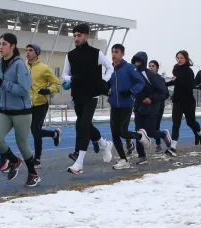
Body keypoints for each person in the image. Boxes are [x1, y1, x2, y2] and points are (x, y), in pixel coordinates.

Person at [0, 33, 40, 187]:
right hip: (4, 110)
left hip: (21, 111)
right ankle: (14, 161)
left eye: (4, 44)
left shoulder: (19, 65)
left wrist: (2, 83)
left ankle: (33, 174)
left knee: (22, 144)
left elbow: (24, 90)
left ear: (12, 46)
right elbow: (2, 83)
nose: (0, 47)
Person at [62, 23, 114, 175]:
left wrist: (104, 80)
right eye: (75, 36)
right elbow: (65, 74)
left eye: (79, 35)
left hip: (92, 95)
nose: (76, 38)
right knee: (86, 124)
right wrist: (71, 79)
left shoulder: (96, 53)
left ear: (86, 36)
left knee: (83, 125)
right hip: (77, 95)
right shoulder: (70, 55)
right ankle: (104, 144)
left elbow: (110, 67)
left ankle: (79, 162)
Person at [106, 44, 146, 169]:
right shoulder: (110, 69)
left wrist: (130, 91)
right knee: (114, 134)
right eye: (112, 52)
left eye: (116, 52)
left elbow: (141, 82)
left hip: (126, 104)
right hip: (114, 104)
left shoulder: (129, 67)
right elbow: (106, 84)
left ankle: (140, 136)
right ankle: (123, 160)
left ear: (122, 54)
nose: (113, 55)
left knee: (123, 132)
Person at [132, 51, 172, 163]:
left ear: (143, 62)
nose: (137, 64)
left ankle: (163, 134)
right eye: (135, 62)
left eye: (139, 61)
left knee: (149, 132)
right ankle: (142, 156)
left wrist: (151, 98)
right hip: (139, 108)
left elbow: (164, 92)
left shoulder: (152, 76)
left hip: (151, 108)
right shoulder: (133, 75)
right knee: (138, 132)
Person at [25, 43, 61, 166]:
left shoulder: (44, 68)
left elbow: (56, 83)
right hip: (27, 105)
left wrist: (48, 90)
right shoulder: (23, 67)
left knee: (35, 130)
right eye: (27, 50)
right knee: (35, 130)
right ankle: (54, 134)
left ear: (37, 53)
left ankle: (38, 158)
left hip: (41, 104)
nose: (28, 52)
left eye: (30, 50)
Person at [165, 51, 201, 150]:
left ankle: (200, 133)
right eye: (177, 58)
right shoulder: (176, 69)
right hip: (177, 101)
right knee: (176, 123)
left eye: (181, 58)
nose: (179, 60)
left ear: (186, 59)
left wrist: (176, 81)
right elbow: (175, 83)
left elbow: (190, 86)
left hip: (188, 101)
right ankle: (173, 146)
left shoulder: (189, 71)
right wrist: (163, 84)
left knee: (190, 122)